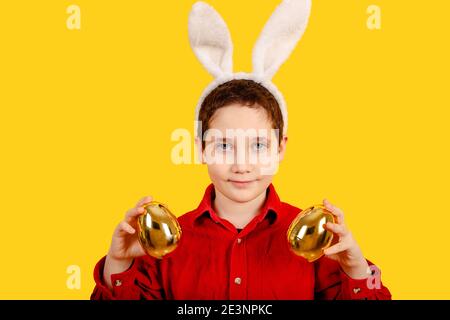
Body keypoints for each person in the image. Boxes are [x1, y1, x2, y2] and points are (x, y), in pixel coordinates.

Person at [91, 0, 391, 300]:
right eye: (224, 145)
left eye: (258, 145)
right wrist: (119, 263)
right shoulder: (162, 245)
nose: (242, 164)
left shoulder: (318, 244)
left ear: (280, 148)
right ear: (201, 148)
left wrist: (357, 270)